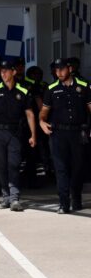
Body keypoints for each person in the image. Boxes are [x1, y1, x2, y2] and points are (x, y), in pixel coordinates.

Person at [0, 59, 37, 211]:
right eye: (1, 71)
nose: (3, 73)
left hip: (16, 133)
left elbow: (30, 114)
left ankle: (15, 198)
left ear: (14, 72)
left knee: (14, 165)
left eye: (6, 71)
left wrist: (33, 135)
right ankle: (5, 198)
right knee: (2, 166)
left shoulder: (23, 91)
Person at [39, 58, 91, 213]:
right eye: (56, 70)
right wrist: (41, 122)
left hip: (78, 133)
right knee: (61, 169)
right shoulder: (51, 89)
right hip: (58, 134)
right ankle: (64, 203)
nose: (59, 72)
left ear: (69, 69)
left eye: (61, 69)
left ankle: (76, 198)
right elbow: (43, 112)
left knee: (78, 168)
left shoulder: (84, 86)